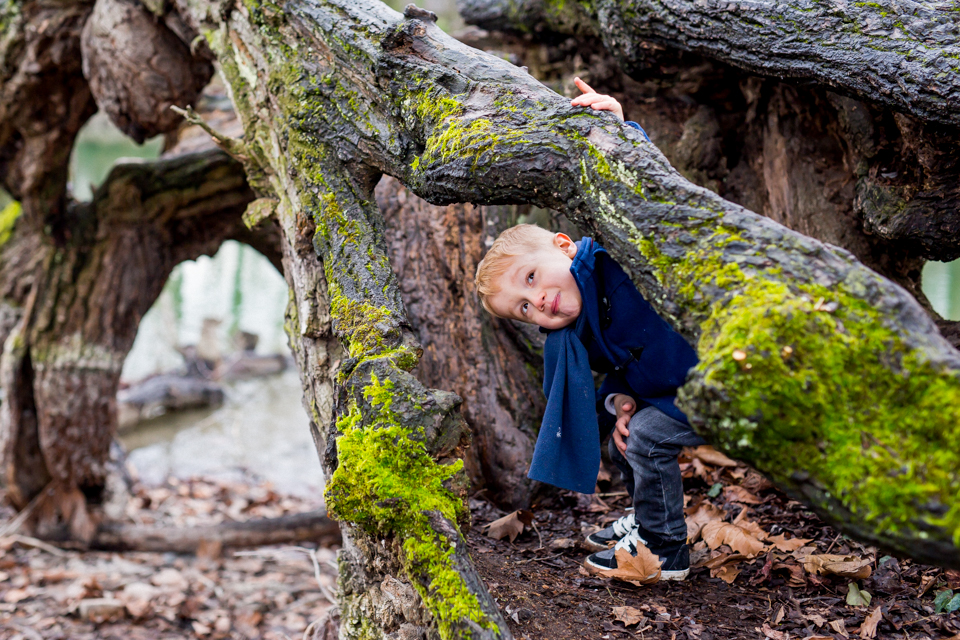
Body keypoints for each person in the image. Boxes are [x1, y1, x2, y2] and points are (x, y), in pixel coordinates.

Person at [472, 80, 702, 581]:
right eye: (525, 309)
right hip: (675, 389)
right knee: (626, 430)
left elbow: (652, 201)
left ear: (563, 246)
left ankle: (666, 551)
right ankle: (647, 520)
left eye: (531, 279)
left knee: (645, 436)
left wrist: (618, 129)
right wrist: (620, 398)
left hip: (717, 379)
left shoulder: (611, 258)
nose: (540, 303)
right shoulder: (580, 333)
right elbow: (625, 362)